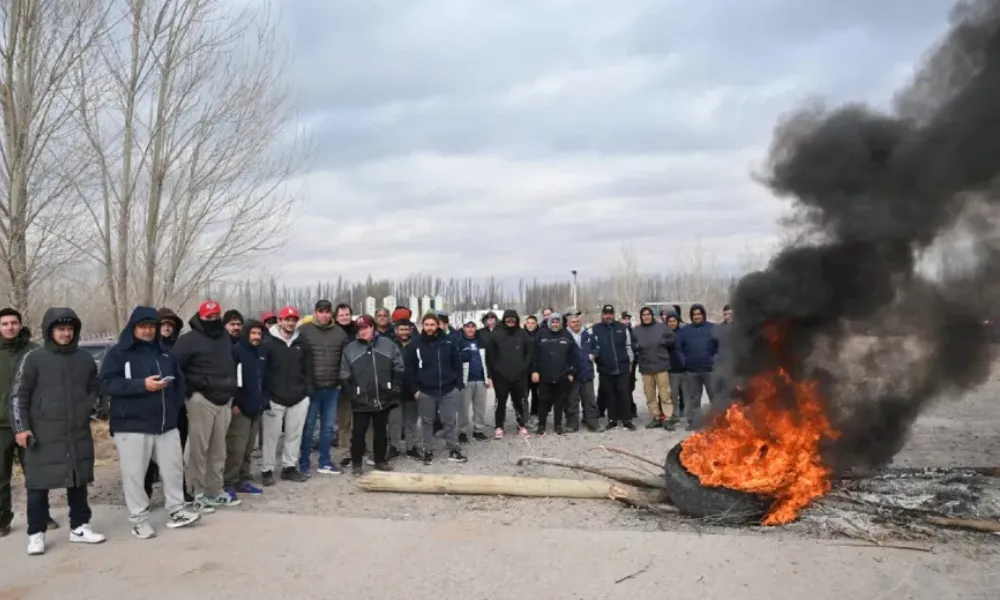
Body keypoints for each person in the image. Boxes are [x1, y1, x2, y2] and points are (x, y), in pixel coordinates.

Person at [101, 306, 201, 539]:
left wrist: (173, 407)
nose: (147, 331)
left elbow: (180, 383)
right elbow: (106, 384)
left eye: (151, 326)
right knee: (135, 475)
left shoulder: (165, 353)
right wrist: (141, 385)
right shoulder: (119, 353)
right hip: (131, 425)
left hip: (165, 424)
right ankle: (139, 520)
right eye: (142, 326)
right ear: (133, 327)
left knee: (174, 470)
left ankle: (177, 511)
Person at [12, 308, 105, 555]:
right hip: (42, 433)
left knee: (78, 480)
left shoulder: (84, 359)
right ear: (49, 331)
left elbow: (94, 387)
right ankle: (36, 533)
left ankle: (80, 527)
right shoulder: (34, 358)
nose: (65, 333)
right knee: (38, 484)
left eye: (69, 329)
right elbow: (19, 395)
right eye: (60, 329)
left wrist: (87, 407)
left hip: (76, 431)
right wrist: (21, 428)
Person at [171, 300, 240, 510]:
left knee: (219, 450)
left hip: (224, 399)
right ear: (200, 317)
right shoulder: (188, 340)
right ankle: (197, 491)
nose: (212, 319)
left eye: (216, 316)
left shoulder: (225, 337)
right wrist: (189, 390)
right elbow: (174, 367)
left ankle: (215, 490)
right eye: (208, 317)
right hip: (201, 400)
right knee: (198, 449)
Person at [340, 315, 404, 475]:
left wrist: (395, 386)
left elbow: (398, 366)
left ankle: (380, 460)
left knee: (381, 431)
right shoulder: (350, 349)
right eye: (359, 329)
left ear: (372, 327)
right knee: (358, 432)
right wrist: (351, 391)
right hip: (361, 397)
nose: (363, 331)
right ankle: (356, 463)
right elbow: (344, 372)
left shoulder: (387, 344)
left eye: (366, 328)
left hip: (383, 395)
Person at [296, 299, 349, 474]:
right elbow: (298, 358)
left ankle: (324, 461)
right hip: (312, 388)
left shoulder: (339, 333)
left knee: (328, 428)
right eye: (321, 311)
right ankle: (304, 462)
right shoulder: (304, 331)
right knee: (309, 427)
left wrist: (341, 381)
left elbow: (344, 360)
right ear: (315, 312)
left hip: (332, 388)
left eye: (327, 312)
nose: (324, 315)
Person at [406, 313, 467, 464]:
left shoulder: (448, 342)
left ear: (437, 325)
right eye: (426, 325)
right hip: (426, 390)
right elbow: (410, 368)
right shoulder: (415, 344)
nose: (429, 328)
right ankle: (428, 450)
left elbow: (457, 363)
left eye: (432, 324)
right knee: (427, 422)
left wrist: (458, 384)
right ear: (422, 325)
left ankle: (454, 449)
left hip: (448, 389)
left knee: (450, 421)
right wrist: (415, 389)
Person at [261, 306, 312, 485]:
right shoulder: (267, 342)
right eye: (287, 319)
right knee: (271, 437)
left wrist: (307, 392)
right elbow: (262, 371)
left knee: (294, 435)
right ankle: (267, 470)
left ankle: (289, 467)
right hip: (274, 397)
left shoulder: (302, 342)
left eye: (293, 320)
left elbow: (308, 368)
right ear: (280, 321)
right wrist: (265, 395)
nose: (290, 323)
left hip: (298, 397)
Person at [0, 307, 39, 537]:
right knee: (1, 476)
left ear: (20, 324)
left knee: (35, 473)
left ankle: (40, 515)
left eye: (13, 323)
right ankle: (2, 519)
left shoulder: (34, 351)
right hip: (1, 426)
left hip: (28, 423)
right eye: (5, 324)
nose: (10, 327)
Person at [224, 320, 268, 497]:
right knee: (236, 448)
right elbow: (230, 379)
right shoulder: (236, 351)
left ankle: (243, 479)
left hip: (256, 407)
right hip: (240, 409)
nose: (257, 337)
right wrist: (234, 403)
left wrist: (264, 401)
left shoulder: (261, 353)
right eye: (253, 333)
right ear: (246, 334)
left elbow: (264, 379)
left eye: (259, 334)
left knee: (249, 448)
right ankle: (228, 481)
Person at [147, 307, 187, 501]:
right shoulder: (146, 349)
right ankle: (144, 492)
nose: (167, 328)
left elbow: (183, 378)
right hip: (150, 408)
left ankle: (179, 491)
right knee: (148, 455)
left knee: (176, 453)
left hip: (175, 408)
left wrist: (179, 401)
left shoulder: (179, 348)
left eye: (171, 325)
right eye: (163, 324)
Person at [484, 309, 532, 438]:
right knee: (500, 403)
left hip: (519, 376)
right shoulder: (496, 335)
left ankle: (521, 425)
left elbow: (529, 354)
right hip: (501, 376)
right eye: (508, 319)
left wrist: (523, 368)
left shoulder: (523, 334)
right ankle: (499, 426)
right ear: (504, 320)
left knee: (519, 403)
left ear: (517, 319)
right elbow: (490, 357)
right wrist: (495, 371)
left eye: (513, 319)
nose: (511, 321)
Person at [531, 313, 578, 436]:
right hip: (544, 376)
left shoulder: (567, 335)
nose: (555, 324)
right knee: (543, 401)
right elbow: (534, 355)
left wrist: (571, 372)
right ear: (549, 323)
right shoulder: (541, 334)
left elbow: (574, 356)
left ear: (560, 323)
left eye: (557, 322)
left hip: (561, 375)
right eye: (553, 322)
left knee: (559, 402)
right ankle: (541, 425)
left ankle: (558, 425)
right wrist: (535, 371)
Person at [632, 306, 678, 430]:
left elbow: (673, 339)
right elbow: (633, 345)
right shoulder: (636, 330)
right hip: (646, 367)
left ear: (652, 315)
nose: (646, 316)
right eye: (644, 315)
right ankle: (656, 417)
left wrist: (663, 342)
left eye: (648, 314)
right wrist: (637, 346)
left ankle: (667, 418)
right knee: (650, 395)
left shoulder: (662, 327)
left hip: (661, 365)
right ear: (641, 317)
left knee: (664, 394)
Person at [677, 304, 719, 430]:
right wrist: (685, 362)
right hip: (692, 371)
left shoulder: (713, 328)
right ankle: (695, 422)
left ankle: (718, 422)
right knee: (694, 399)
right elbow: (679, 349)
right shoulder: (685, 330)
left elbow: (720, 347)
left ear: (703, 315)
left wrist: (714, 360)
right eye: (694, 314)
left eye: (699, 314)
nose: (697, 316)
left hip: (710, 370)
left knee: (714, 397)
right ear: (691, 316)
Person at [592, 305, 634, 430]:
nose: (608, 316)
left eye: (610, 314)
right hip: (605, 368)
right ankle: (612, 419)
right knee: (610, 394)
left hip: (622, 367)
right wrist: (597, 360)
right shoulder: (595, 329)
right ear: (602, 315)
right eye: (606, 314)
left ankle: (627, 419)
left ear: (614, 315)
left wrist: (630, 363)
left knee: (624, 393)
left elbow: (628, 346)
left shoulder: (622, 328)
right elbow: (592, 346)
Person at [388, 320, 420, 459]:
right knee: (394, 421)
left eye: (407, 329)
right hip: (395, 389)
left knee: (411, 420)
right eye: (401, 329)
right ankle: (394, 447)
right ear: (396, 331)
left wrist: (418, 387)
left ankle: (411, 447)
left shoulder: (417, 345)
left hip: (413, 389)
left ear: (411, 330)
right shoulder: (390, 345)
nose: (404, 332)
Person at [565, 311, 601, 432]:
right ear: (568, 324)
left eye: (577, 321)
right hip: (573, 374)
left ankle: (593, 423)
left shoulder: (587, 334)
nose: (575, 324)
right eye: (573, 322)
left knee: (590, 400)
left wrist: (594, 354)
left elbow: (596, 347)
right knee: (572, 401)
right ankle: (572, 424)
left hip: (587, 372)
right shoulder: (565, 336)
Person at [457, 319, 490, 442]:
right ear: (464, 328)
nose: (470, 329)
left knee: (480, 408)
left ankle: (478, 430)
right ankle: (462, 431)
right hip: (466, 380)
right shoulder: (459, 342)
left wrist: (489, 376)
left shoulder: (481, 341)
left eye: (473, 326)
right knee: (463, 408)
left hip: (480, 378)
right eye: (468, 327)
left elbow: (487, 360)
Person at [664, 309, 686, 426]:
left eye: (674, 321)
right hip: (672, 369)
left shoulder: (683, 333)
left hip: (685, 368)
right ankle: (675, 415)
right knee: (674, 394)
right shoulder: (664, 334)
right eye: (670, 321)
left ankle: (688, 415)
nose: (672, 323)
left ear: (677, 321)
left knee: (686, 393)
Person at [523, 315, 540, 426]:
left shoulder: (540, 334)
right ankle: (524, 417)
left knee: (536, 394)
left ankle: (535, 413)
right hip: (524, 370)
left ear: (536, 324)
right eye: (528, 323)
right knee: (524, 394)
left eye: (532, 323)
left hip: (537, 369)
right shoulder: (521, 334)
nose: (530, 325)